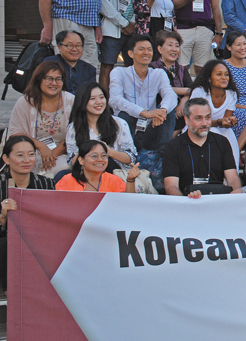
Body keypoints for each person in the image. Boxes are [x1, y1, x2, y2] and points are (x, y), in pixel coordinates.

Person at [0, 136, 56, 293]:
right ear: (6, 158)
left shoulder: (46, 184)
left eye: (31, 154)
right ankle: (9, 292)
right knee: (5, 244)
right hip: (6, 240)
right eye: (19, 155)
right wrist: (3, 217)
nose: (26, 160)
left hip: (38, 238)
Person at [109, 34, 177, 152]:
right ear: (131, 54)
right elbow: (115, 100)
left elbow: (170, 95)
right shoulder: (119, 72)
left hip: (150, 130)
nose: (146, 53)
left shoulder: (158, 73)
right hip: (126, 130)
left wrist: (162, 111)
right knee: (125, 115)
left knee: (169, 111)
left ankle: (162, 156)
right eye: (141, 49)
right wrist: (144, 113)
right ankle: (126, 154)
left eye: (149, 49)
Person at [163, 97, 241, 195]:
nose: (204, 123)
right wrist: (185, 204)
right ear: (186, 120)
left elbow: (233, 178)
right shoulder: (173, 146)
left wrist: (235, 195)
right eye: (198, 118)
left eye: (207, 117)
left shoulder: (222, 142)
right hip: (187, 202)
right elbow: (171, 186)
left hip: (217, 202)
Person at [9, 62, 74, 177]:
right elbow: (15, 134)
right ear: (38, 79)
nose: (54, 83)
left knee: (65, 167)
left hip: (60, 154)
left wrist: (52, 155)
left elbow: (76, 133)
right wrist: (40, 146)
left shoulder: (71, 101)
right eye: (48, 79)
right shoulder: (25, 102)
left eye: (58, 79)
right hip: (29, 153)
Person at [66, 82, 137, 174]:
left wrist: (107, 151)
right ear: (82, 102)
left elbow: (130, 158)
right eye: (92, 99)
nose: (99, 102)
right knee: (61, 175)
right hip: (86, 172)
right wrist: (89, 150)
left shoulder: (119, 123)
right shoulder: (73, 127)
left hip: (114, 172)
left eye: (101, 97)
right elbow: (72, 161)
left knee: (104, 161)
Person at [189, 59, 241, 168]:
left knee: (229, 132)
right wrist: (219, 122)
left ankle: (232, 173)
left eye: (226, 75)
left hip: (218, 128)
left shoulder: (231, 94)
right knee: (213, 131)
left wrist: (230, 121)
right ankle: (216, 172)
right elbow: (197, 122)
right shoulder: (200, 92)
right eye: (219, 74)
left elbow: (225, 121)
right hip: (197, 130)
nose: (224, 77)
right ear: (209, 78)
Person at [56, 140, 141, 192]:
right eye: (94, 156)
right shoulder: (67, 181)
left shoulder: (114, 181)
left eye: (104, 155)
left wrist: (130, 180)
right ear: (81, 160)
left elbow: (127, 205)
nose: (100, 159)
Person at [150, 30, 193, 131]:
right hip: (159, 112)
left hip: (180, 114)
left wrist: (183, 101)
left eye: (177, 46)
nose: (174, 49)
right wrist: (186, 91)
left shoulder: (182, 69)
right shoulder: (152, 68)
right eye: (170, 45)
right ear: (160, 49)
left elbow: (194, 89)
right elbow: (159, 88)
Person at [43, 30, 96, 95]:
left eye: (78, 46)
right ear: (59, 47)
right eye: (70, 45)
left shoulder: (89, 69)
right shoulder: (50, 64)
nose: (74, 49)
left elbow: (91, 93)